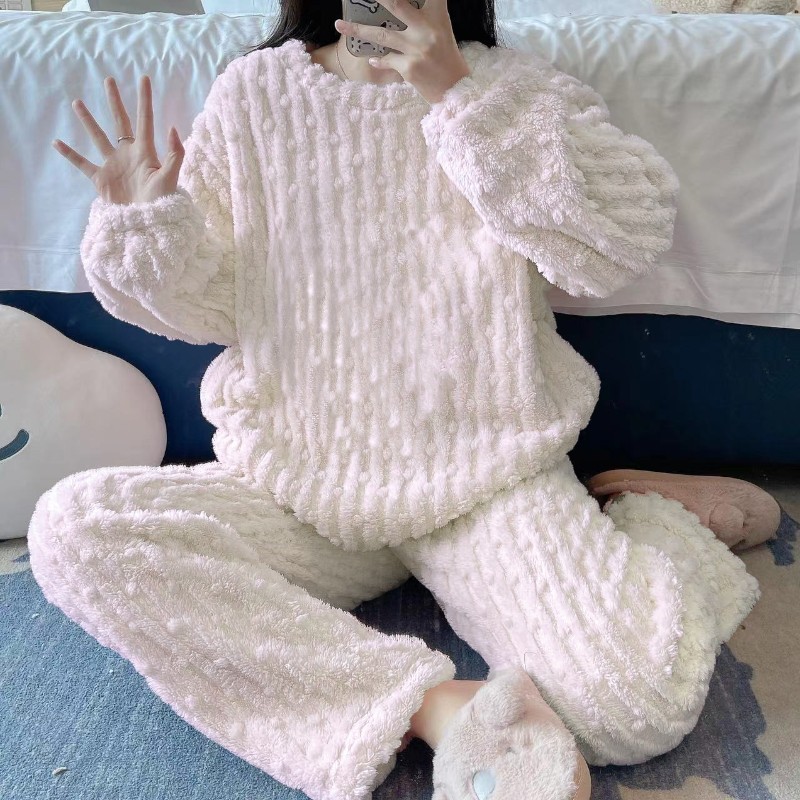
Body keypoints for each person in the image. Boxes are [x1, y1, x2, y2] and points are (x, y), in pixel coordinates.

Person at [29, 2, 776, 799]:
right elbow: (218, 308)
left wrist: (460, 95)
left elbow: (619, 243)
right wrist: (146, 228)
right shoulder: (254, 93)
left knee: (632, 709)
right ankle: (432, 708)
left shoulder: (514, 87)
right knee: (77, 529)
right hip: (298, 486)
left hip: (487, 484)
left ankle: (659, 523)